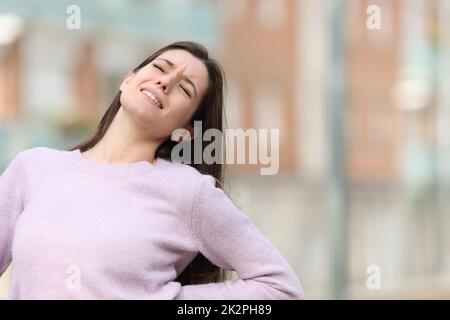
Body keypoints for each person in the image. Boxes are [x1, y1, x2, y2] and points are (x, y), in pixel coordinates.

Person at [0, 41, 304, 299]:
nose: (165, 82)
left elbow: (280, 288)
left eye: (184, 88)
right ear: (128, 79)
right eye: (160, 68)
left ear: (186, 131)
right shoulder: (33, 168)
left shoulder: (189, 191)